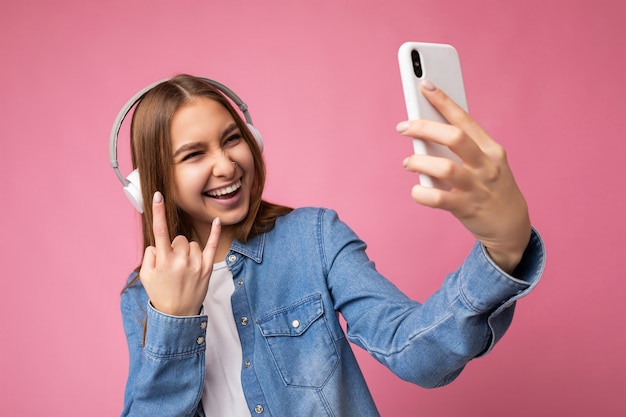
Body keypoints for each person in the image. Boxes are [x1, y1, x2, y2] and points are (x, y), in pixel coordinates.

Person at [118, 74, 544, 417]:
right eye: (194, 155)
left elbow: (415, 353)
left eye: (232, 139)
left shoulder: (313, 238)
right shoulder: (142, 298)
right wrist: (173, 321)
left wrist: (501, 251)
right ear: (151, 183)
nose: (227, 165)